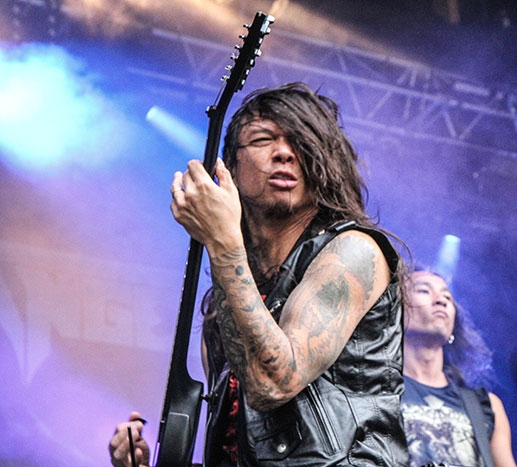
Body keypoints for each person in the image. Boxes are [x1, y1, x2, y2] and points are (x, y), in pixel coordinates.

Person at [109, 82, 408, 466]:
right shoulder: (222, 305)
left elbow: (274, 382)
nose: (283, 152)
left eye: (301, 141)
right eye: (263, 139)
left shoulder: (354, 252)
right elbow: (237, 446)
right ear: (230, 168)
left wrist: (222, 244)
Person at [401, 269, 517, 467]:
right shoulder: (375, 393)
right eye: (424, 291)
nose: (441, 300)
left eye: (447, 296)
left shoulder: (486, 406)